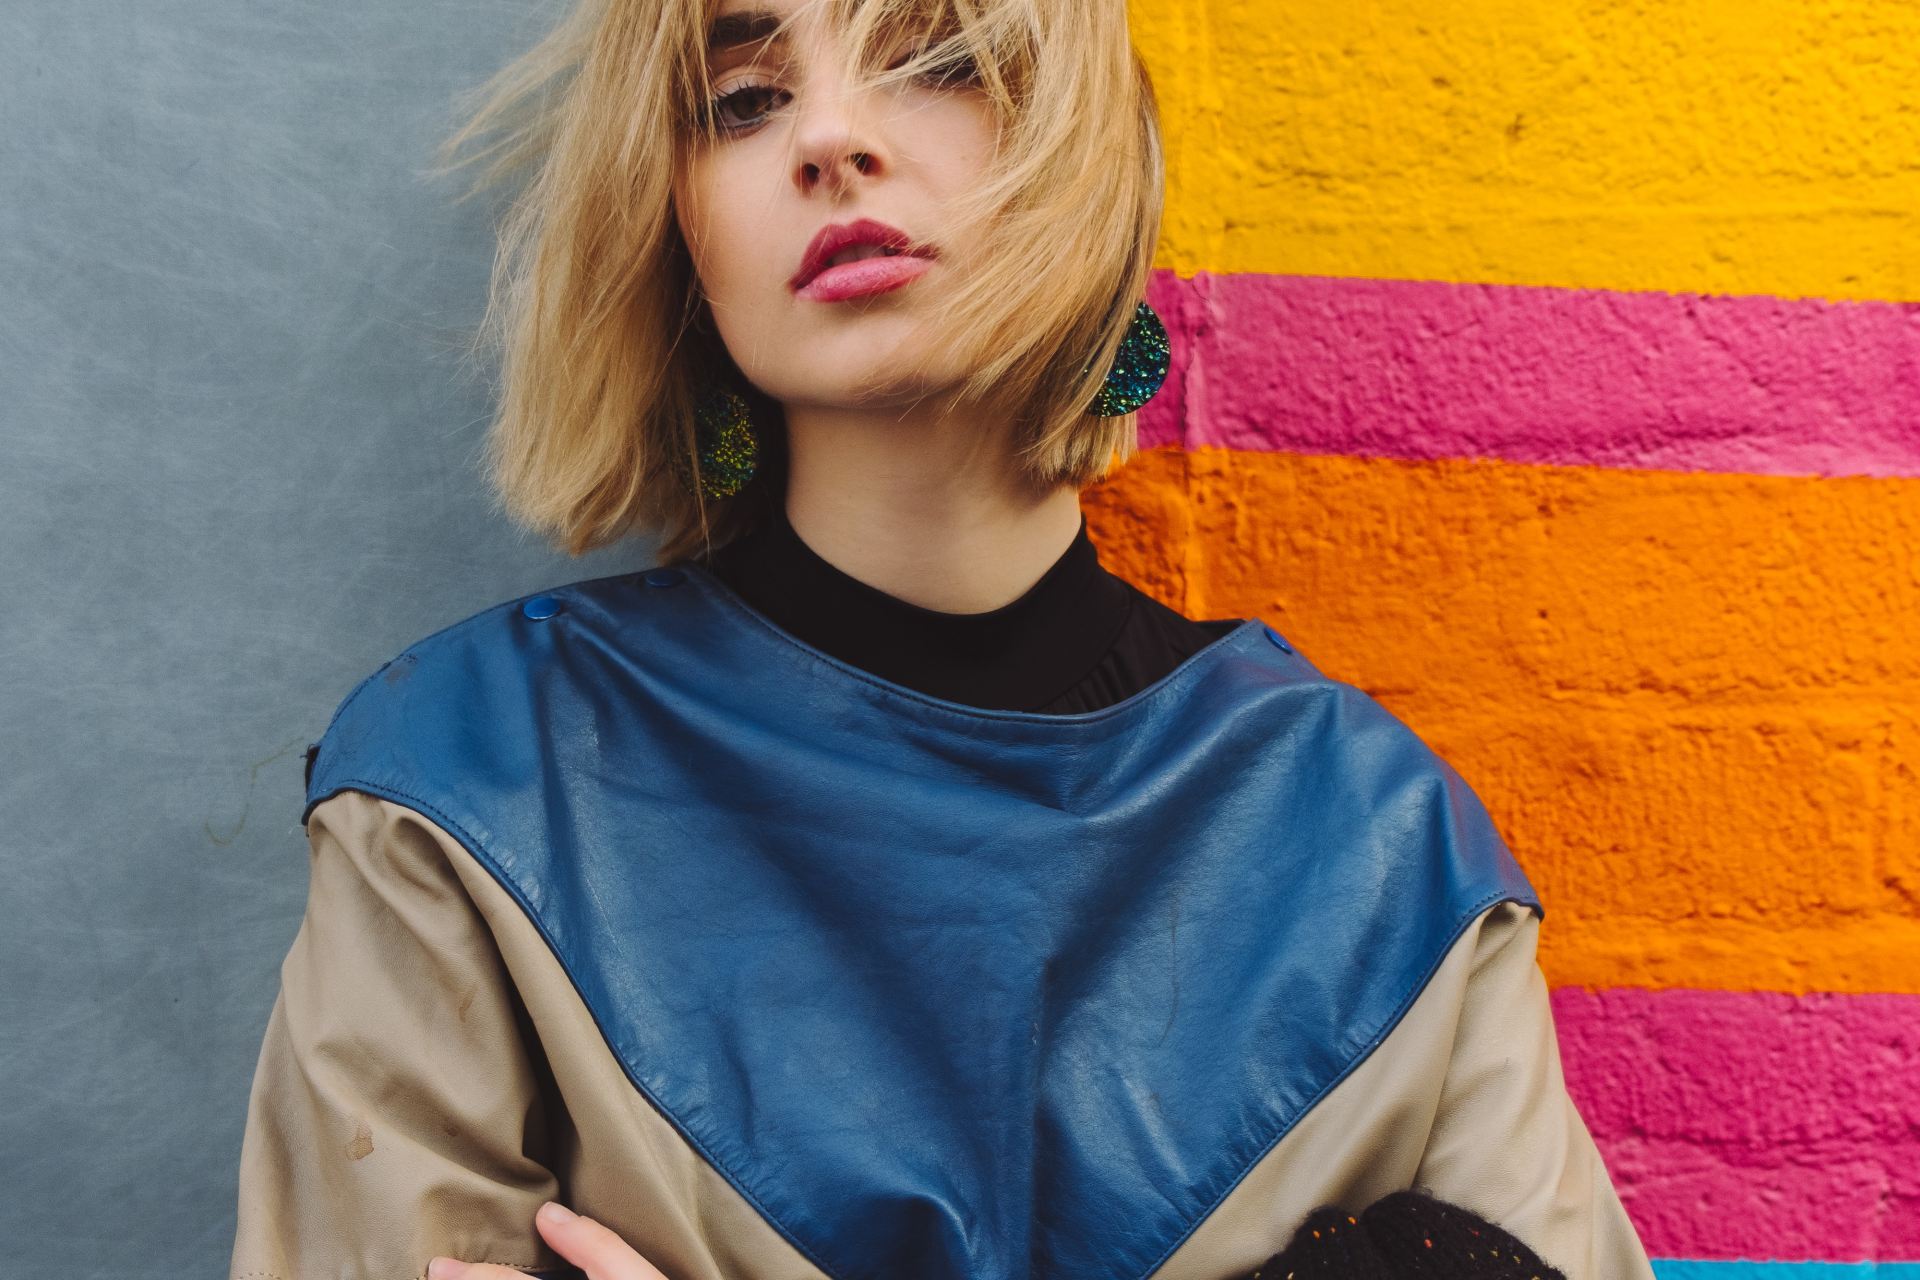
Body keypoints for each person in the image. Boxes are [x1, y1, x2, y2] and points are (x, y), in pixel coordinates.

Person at [227, 0, 1656, 1277]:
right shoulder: (465, 789)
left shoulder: (1379, 844)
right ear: (671, 220)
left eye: (937, 59)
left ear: (1091, 154)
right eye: (744, 99)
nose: (832, 138)